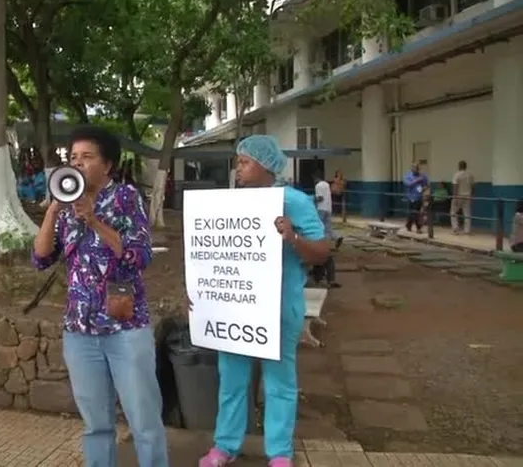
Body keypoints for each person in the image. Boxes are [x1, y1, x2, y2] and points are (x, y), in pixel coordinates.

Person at [32, 124, 169, 467]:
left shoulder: (125, 198)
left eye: (86, 157)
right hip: (80, 331)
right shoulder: (64, 208)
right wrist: (52, 211)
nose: (77, 164)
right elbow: (40, 258)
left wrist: (93, 220)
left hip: (125, 327)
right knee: (96, 425)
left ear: (107, 165)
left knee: (144, 421)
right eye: (73, 157)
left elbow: (140, 256)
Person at [196, 135, 329, 467]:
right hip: (236, 306)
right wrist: (202, 289)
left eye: (244, 162)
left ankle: (279, 453)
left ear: (266, 165)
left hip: (279, 307)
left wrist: (292, 237)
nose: (237, 169)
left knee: (279, 381)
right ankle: (225, 445)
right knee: (232, 379)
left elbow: (322, 252)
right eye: (237, 162)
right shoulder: (229, 204)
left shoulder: (294, 202)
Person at [313, 172, 342, 250]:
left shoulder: (318, 186)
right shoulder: (327, 184)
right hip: (328, 208)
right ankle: (336, 238)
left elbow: (320, 198)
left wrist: (312, 200)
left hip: (321, 208)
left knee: (319, 226)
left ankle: (320, 243)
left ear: (316, 178)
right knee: (327, 227)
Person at [402, 162, 428, 234]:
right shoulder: (407, 176)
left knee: (417, 213)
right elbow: (408, 184)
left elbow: (426, 185)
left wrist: (424, 188)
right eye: (414, 168)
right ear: (411, 169)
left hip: (420, 197)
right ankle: (417, 227)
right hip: (411, 197)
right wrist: (417, 180)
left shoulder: (423, 176)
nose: (416, 170)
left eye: (417, 168)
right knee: (414, 213)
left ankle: (409, 225)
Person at [451, 160, 474, 234]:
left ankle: (455, 229)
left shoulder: (457, 175)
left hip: (458, 195)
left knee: (453, 212)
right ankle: (467, 230)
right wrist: (472, 196)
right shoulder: (470, 175)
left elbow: (455, 186)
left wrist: (454, 197)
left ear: (459, 166)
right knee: (467, 213)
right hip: (468, 196)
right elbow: (473, 187)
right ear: (465, 166)